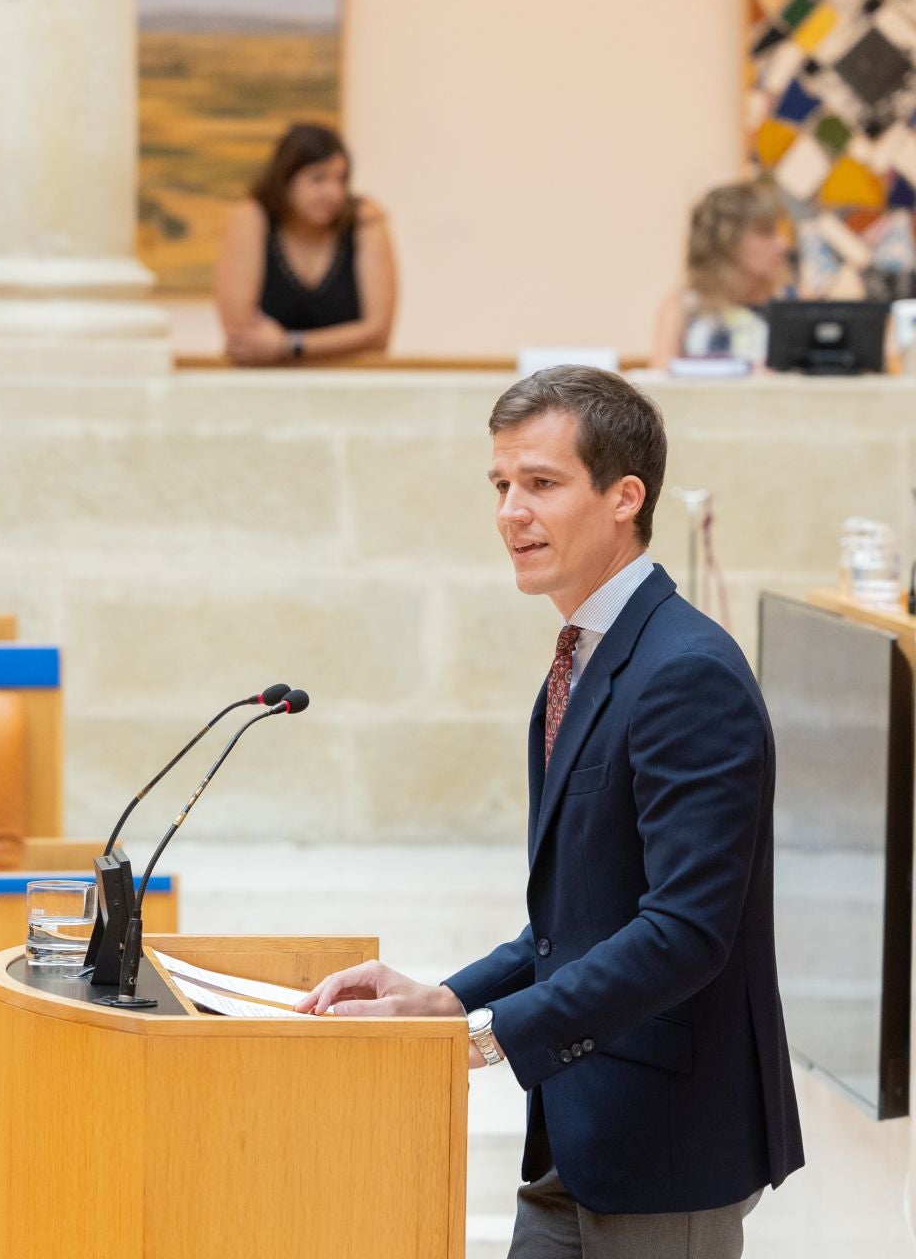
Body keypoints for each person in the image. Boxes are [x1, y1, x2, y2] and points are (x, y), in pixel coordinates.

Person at [296, 366, 802, 1256]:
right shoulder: (587, 656)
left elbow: (685, 930)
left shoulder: (685, 672)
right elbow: (574, 923)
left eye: (541, 484)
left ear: (624, 497)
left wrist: (490, 1039)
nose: (510, 514)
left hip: (666, 1147)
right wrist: (446, 999)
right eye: (500, 486)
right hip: (579, 1133)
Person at [215, 122, 397, 366]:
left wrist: (289, 345)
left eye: (341, 179)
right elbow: (243, 338)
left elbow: (378, 334)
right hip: (267, 390)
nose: (333, 193)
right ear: (284, 180)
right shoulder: (251, 218)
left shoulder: (365, 220)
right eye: (317, 179)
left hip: (348, 388)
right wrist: (340, 342)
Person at [649, 181, 793, 369]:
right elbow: (660, 387)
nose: (783, 244)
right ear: (726, 241)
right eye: (765, 233)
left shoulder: (790, 306)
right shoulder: (683, 308)